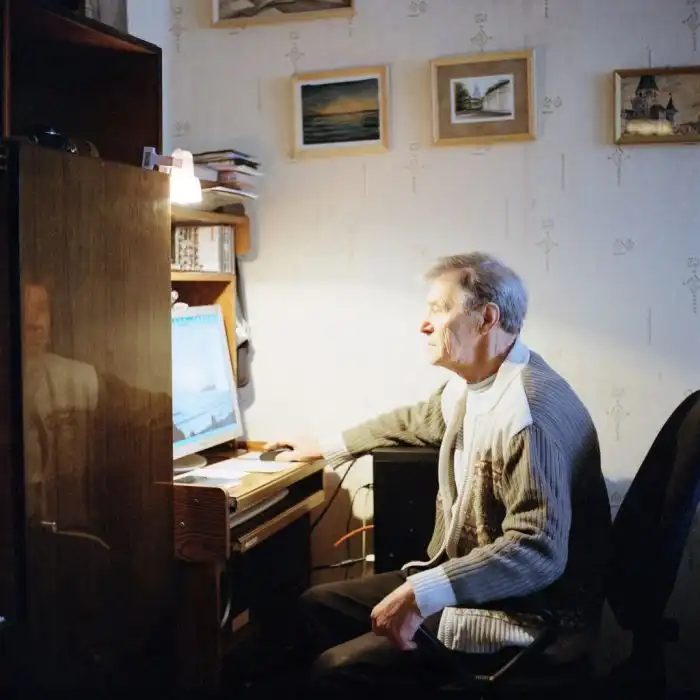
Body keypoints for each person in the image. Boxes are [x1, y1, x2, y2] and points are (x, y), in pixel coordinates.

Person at [266, 252, 612, 696]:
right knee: (315, 606)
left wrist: (422, 592)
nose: (423, 325)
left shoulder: (528, 415)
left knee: (336, 670)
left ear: (487, 319)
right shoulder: (477, 384)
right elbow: (418, 419)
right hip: (483, 586)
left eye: (438, 309)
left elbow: (536, 551)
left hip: (531, 615)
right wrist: (329, 447)